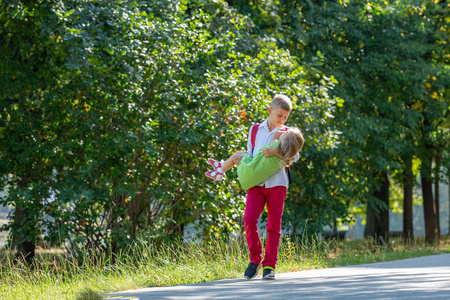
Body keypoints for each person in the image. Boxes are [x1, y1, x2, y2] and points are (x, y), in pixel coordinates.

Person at [207, 94, 304, 280]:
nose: (283, 120)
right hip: (257, 183)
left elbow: (294, 156)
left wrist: (276, 151)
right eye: (280, 115)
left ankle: (269, 266)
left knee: (273, 226)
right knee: (249, 219)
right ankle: (255, 259)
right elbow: (252, 154)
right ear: (270, 111)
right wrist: (239, 159)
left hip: (277, 184)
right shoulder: (254, 130)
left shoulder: (287, 132)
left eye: (286, 117)